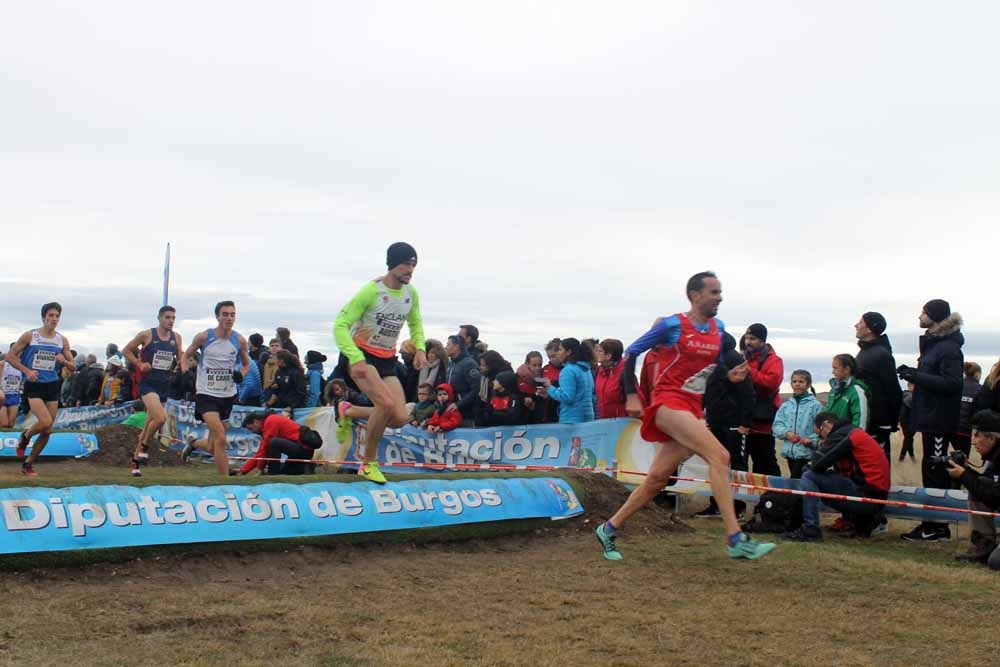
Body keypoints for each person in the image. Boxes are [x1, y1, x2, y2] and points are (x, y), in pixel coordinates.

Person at [595, 272, 775, 561]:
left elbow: (709, 370)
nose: (720, 297)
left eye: (720, 292)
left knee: (656, 479)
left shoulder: (719, 328)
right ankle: (735, 538)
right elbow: (630, 353)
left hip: (692, 406)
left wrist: (729, 376)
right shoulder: (672, 325)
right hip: (667, 402)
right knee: (720, 457)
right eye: (714, 292)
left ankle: (608, 527)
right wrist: (631, 394)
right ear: (694, 295)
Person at [333, 242, 426, 484]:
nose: (410, 270)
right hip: (361, 355)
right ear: (392, 264)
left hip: (386, 358)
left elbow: (416, 323)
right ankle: (368, 464)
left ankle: (348, 410)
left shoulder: (410, 294)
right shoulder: (371, 291)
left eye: (414, 265)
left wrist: (420, 348)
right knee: (384, 404)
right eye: (406, 264)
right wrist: (355, 358)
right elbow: (339, 325)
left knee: (398, 418)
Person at [897, 299, 964, 542]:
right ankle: (931, 522)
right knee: (930, 467)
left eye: (923, 313)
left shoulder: (947, 348)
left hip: (939, 418)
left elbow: (953, 383)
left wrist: (917, 375)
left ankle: (937, 526)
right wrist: (913, 374)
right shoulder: (935, 345)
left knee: (936, 469)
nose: (919, 316)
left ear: (934, 316)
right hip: (930, 415)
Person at [782, 412, 891, 541]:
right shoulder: (853, 433)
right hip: (874, 495)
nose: (821, 439)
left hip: (868, 497)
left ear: (826, 425)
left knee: (809, 476)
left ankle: (811, 529)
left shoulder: (844, 434)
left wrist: (818, 453)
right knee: (814, 474)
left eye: (819, 434)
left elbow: (817, 463)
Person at [180, 300, 251, 476]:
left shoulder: (240, 340)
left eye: (232, 314)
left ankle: (194, 443)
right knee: (220, 436)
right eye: (225, 314)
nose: (229, 318)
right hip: (206, 393)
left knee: (214, 445)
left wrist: (241, 374)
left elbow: (246, 365)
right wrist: (184, 370)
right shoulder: (204, 337)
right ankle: (225, 482)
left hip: (227, 395)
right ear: (218, 317)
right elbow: (186, 355)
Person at [6, 302, 76, 476]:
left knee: (47, 430)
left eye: (57, 316)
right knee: (44, 421)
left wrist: (64, 362)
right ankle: (25, 436)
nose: (54, 319)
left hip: (52, 385)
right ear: (44, 317)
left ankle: (28, 464)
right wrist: (27, 371)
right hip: (34, 385)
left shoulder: (62, 340)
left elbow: (73, 367)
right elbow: (10, 357)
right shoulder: (30, 336)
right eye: (51, 315)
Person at [122, 305, 187, 476]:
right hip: (148, 384)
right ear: (159, 318)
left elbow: (180, 357)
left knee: (147, 428)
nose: (171, 321)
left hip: (164, 384)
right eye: (167, 317)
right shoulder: (147, 335)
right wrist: (139, 364)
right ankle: (144, 446)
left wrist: (183, 362)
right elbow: (126, 350)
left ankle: (135, 462)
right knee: (160, 418)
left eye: (173, 317)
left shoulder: (177, 337)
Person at [696, 331, 755, 519]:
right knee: (715, 462)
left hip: (734, 422)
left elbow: (748, 393)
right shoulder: (712, 361)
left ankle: (737, 507)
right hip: (715, 419)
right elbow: (707, 388)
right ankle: (715, 505)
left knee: (736, 463)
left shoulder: (734, 359)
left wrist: (745, 422)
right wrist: (702, 411)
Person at [947, 410, 1000, 569]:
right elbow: (985, 486)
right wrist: (966, 471)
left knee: (996, 562)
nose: (972, 441)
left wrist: (964, 475)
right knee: (980, 482)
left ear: (992, 438)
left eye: (977, 435)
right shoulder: (996, 456)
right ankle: (984, 544)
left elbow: (996, 497)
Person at [854, 312, 903, 461]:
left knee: (878, 461)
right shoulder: (865, 352)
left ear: (869, 329)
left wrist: (889, 423)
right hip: (867, 418)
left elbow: (893, 389)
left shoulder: (881, 354)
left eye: (860, 322)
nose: (856, 325)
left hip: (878, 422)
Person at [742, 323, 783, 476]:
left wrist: (749, 372)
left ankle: (772, 497)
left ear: (762, 340)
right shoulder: (744, 357)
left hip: (763, 423)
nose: (748, 342)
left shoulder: (774, 361)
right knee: (741, 463)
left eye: (752, 338)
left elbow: (771, 384)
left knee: (765, 463)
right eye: (746, 338)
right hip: (745, 421)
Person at [772, 370, 824, 479]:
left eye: (801, 381)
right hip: (789, 452)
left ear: (808, 384)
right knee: (795, 479)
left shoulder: (816, 406)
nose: (797, 384)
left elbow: (821, 429)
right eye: (794, 381)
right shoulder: (786, 406)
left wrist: (811, 440)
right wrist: (786, 433)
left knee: (799, 480)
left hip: (806, 453)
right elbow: (777, 425)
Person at [239, 412, 322, 476]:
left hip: (303, 449)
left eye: (251, 428)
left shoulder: (270, 421)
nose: (252, 431)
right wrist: (243, 471)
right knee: (285, 474)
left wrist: (260, 469)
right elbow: (260, 453)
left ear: (256, 422)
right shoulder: (269, 422)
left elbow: (264, 449)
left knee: (273, 442)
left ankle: (272, 474)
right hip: (301, 450)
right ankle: (306, 467)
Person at [538, 338, 595, 424]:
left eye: (560, 349)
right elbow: (585, 393)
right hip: (588, 417)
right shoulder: (586, 369)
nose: (558, 353)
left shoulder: (568, 370)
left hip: (571, 419)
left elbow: (567, 397)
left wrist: (550, 388)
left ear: (568, 352)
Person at [444, 335, 480, 427]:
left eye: (448, 344)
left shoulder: (469, 364)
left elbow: (476, 389)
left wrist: (458, 404)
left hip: (467, 413)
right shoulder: (451, 364)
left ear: (457, 346)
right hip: (452, 411)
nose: (446, 347)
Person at [826, 354, 870, 429]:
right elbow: (827, 414)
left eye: (835, 368)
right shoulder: (834, 390)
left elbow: (861, 420)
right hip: (833, 437)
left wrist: (853, 439)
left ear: (847, 369)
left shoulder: (856, 391)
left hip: (847, 438)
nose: (833, 372)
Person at [595, 338, 630, 419]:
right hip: (605, 422)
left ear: (608, 356)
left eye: (600, 351)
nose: (596, 353)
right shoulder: (599, 372)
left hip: (623, 424)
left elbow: (638, 400)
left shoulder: (625, 374)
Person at [954, 362, 982, 458]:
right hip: (965, 430)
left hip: (951, 427)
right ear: (977, 374)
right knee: (963, 459)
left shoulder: (957, 385)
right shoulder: (980, 390)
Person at [0, 344, 24, 428]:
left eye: (20, 350)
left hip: (15, 395)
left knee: (10, 424)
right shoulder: (3, 364)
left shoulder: (23, 365)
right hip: (2, 395)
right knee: (4, 423)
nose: (18, 352)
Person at [540, 339, 563, 423]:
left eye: (553, 356)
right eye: (549, 357)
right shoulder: (545, 369)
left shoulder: (568, 369)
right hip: (548, 411)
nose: (551, 359)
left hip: (563, 409)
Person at [898, 382, 916, 462]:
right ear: (909, 386)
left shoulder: (904, 394)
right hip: (909, 421)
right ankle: (902, 457)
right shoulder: (911, 396)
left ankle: (911, 456)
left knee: (909, 438)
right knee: (908, 438)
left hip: (905, 421)